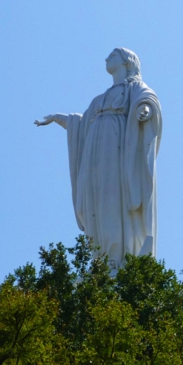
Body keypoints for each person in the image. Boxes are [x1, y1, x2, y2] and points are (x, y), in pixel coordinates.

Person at [35, 48, 162, 272]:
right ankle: (103, 259)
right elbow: (83, 124)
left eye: (113, 55)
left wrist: (144, 110)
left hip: (118, 150)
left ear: (127, 62)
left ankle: (120, 257)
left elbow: (148, 100)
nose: (107, 58)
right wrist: (59, 118)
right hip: (96, 154)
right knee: (97, 200)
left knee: (115, 200)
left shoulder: (134, 87)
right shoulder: (99, 99)